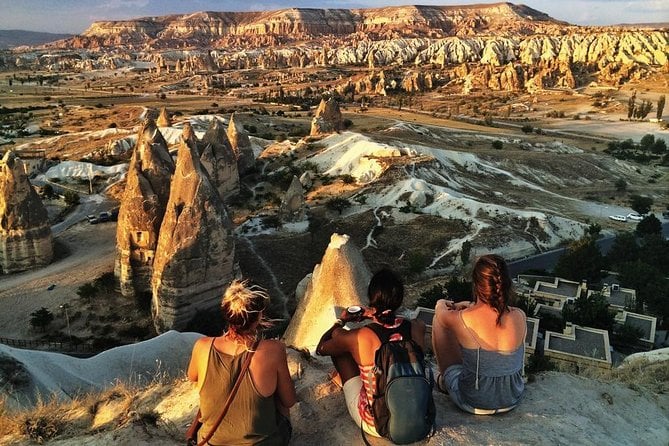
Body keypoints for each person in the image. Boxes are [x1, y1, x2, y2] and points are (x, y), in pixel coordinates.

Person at [316, 268, 426, 437]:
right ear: (400, 299)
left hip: (378, 423)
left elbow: (322, 347)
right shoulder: (417, 327)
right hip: (419, 417)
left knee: (341, 350)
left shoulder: (362, 336)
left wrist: (341, 321)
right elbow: (399, 325)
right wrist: (377, 315)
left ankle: (344, 382)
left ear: (371, 298)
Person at [187, 280, 297, 445]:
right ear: (259, 316)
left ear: (226, 313)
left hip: (211, 442)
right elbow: (289, 401)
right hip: (262, 443)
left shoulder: (202, 346)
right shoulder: (274, 349)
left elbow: (192, 376)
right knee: (278, 395)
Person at [432, 254, 526, 415]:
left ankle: (443, 382)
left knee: (437, 321)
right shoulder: (520, 315)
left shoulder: (462, 319)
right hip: (512, 397)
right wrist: (469, 305)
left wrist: (442, 302)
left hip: (474, 401)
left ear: (476, 285)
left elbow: (440, 312)